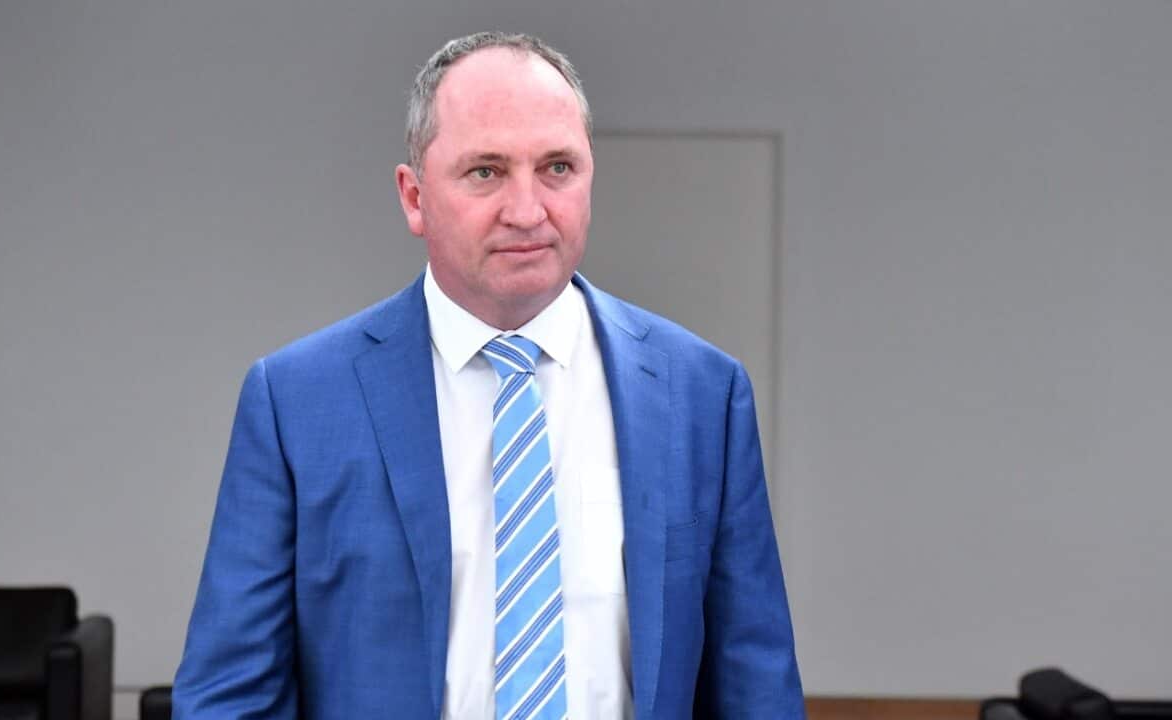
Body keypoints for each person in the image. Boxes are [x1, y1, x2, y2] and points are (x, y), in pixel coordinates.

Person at [173, 31, 804, 719]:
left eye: (557, 167)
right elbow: (230, 696)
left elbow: (756, 689)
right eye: (486, 172)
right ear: (414, 197)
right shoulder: (297, 403)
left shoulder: (701, 395)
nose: (527, 211)